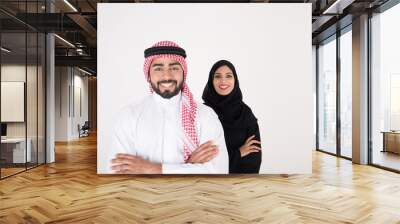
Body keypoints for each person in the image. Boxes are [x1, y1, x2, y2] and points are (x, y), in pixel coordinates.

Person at [107, 41, 229, 174]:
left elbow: (219, 171)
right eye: (158, 68)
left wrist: (151, 169)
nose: (167, 76)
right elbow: (119, 172)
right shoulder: (129, 115)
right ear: (148, 75)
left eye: (174, 67)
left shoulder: (206, 115)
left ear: (184, 73)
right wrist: (189, 166)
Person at [202, 60, 262, 174]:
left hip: (240, 185)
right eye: (217, 76)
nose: (223, 81)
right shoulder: (202, 112)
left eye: (228, 76)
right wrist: (238, 153)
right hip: (208, 184)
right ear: (211, 81)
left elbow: (254, 158)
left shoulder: (245, 114)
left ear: (235, 80)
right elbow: (201, 159)